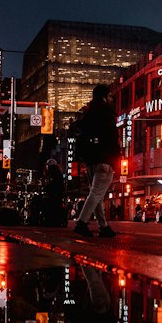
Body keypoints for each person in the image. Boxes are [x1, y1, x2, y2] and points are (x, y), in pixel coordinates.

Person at [72, 83, 120, 239]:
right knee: (96, 193)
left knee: (97, 194)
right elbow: (113, 138)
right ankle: (81, 222)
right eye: (110, 96)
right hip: (104, 160)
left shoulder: (89, 113)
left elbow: (79, 131)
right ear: (104, 97)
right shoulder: (106, 113)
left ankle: (103, 226)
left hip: (90, 161)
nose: (112, 99)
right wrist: (116, 159)